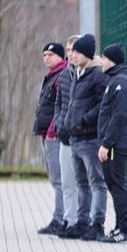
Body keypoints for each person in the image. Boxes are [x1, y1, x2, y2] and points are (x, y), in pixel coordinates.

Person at [62, 33, 109, 241]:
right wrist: (68, 123)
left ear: (88, 55)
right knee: (81, 183)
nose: (72, 55)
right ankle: (82, 222)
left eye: (77, 52)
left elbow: (102, 105)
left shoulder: (97, 75)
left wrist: (84, 120)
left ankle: (97, 223)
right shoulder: (77, 73)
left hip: (89, 138)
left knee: (96, 182)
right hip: (75, 138)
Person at [97, 43, 127, 243]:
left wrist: (107, 143)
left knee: (118, 185)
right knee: (113, 184)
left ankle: (124, 229)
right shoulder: (115, 80)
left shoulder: (121, 82)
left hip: (116, 145)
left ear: (111, 60)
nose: (101, 62)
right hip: (113, 143)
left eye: (103, 58)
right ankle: (119, 227)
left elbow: (119, 115)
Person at [34, 42, 67, 235]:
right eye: (44, 54)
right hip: (47, 134)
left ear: (61, 57)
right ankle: (60, 216)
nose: (47, 58)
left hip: (53, 135)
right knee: (55, 178)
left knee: (59, 179)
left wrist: (52, 130)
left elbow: (60, 105)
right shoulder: (51, 76)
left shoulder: (61, 76)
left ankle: (60, 218)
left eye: (51, 54)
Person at [55, 35, 80, 237]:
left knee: (84, 182)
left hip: (82, 138)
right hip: (65, 137)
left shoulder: (91, 74)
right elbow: (59, 104)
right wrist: (59, 123)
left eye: (74, 50)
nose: (71, 54)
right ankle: (69, 220)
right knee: (67, 182)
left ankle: (83, 220)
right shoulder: (64, 76)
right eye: (69, 50)